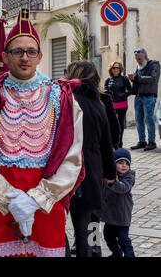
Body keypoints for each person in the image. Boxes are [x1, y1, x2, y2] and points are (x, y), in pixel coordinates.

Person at [0, 9, 85, 257]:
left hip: (44, 205)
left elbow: (72, 157)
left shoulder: (62, 98)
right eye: (17, 51)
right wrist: (8, 197)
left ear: (40, 56)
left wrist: (37, 199)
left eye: (31, 51)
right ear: (5, 56)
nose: (24, 57)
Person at [65, 60, 117, 257]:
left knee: (56, 222)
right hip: (92, 169)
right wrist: (110, 173)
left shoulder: (66, 99)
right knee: (87, 223)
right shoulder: (99, 102)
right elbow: (110, 140)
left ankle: (66, 251)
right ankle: (92, 249)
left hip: (65, 167)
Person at [98, 148, 135, 257]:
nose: (124, 165)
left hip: (122, 216)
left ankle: (130, 255)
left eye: (126, 163)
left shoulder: (129, 177)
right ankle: (117, 253)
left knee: (124, 239)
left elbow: (123, 188)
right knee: (108, 236)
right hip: (110, 215)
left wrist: (113, 182)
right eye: (120, 163)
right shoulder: (108, 175)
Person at [128, 48, 160, 151]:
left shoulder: (154, 65)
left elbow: (153, 79)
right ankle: (142, 141)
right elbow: (138, 78)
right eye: (136, 59)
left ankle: (152, 142)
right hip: (138, 96)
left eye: (139, 59)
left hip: (149, 97)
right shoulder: (139, 66)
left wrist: (137, 78)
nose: (138, 61)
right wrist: (133, 78)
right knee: (138, 119)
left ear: (145, 57)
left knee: (148, 119)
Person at [104, 61, 132, 148]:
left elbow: (131, 90)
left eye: (117, 68)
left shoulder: (124, 79)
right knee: (111, 124)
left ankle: (119, 143)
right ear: (111, 69)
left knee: (120, 124)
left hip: (122, 105)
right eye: (114, 68)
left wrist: (124, 95)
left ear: (120, 69)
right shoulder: (108, 80)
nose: (116, 69)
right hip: (111, 105)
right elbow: (105, 92)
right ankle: (112, 142)